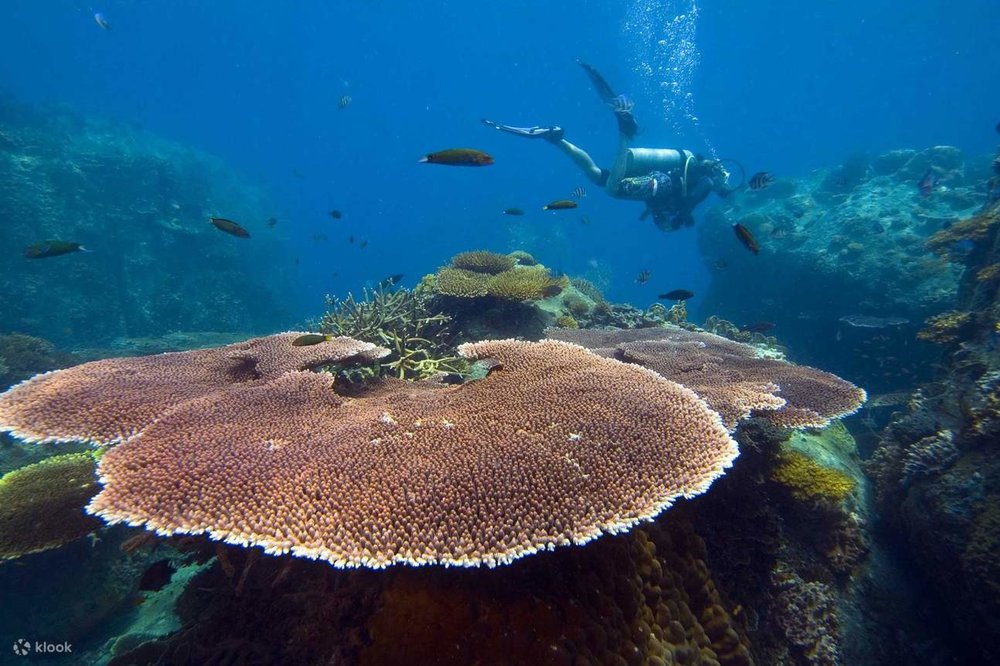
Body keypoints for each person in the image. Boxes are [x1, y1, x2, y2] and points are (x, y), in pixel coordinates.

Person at [482, 61, 732, 231]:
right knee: (613, 189)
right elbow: (689, 202)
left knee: (594, 175)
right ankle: (626, 130)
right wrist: (683, 218)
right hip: (659, 179)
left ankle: (554, 137)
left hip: (645, 173)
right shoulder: (707, 184)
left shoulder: (698, 176)